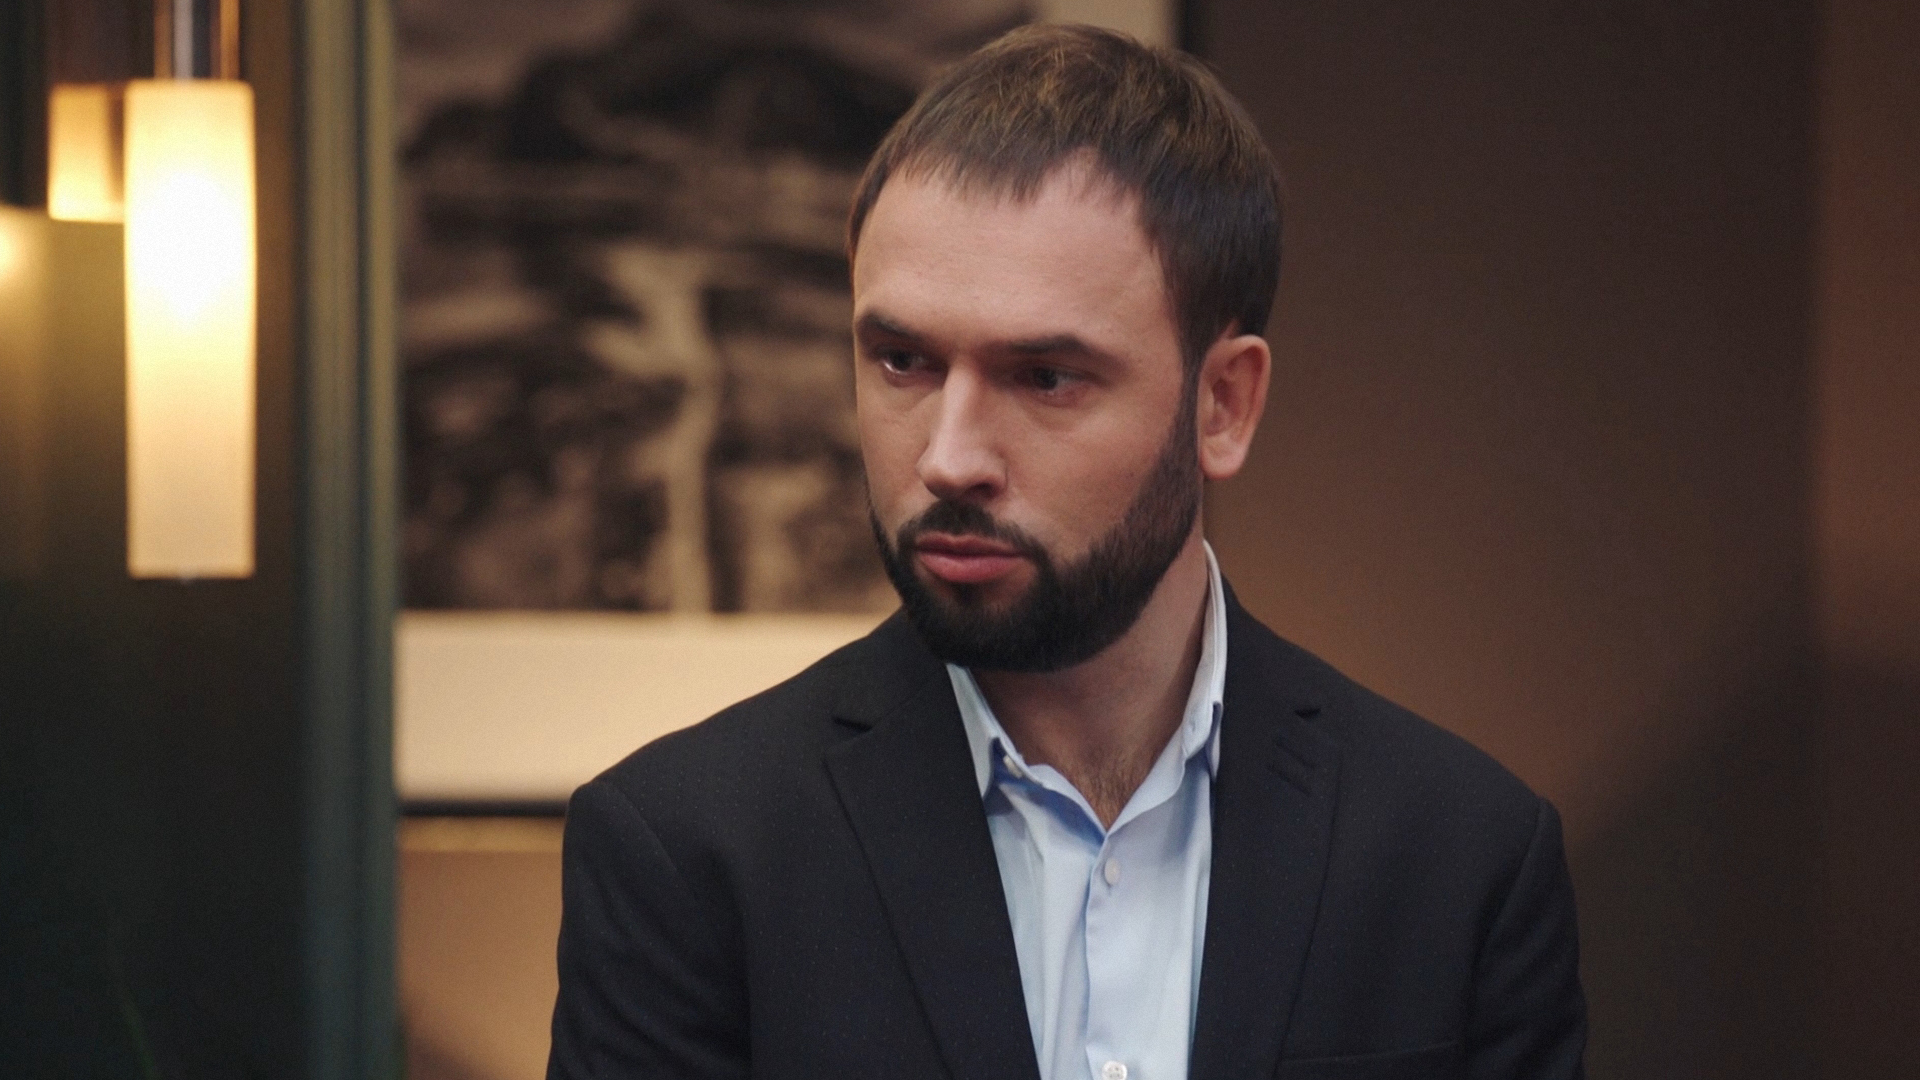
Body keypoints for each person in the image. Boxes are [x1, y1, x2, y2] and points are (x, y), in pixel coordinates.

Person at [548, 23, 1586, 1080]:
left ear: (1223, 405)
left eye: (1045, 377)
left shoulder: (1460, 859)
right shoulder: (687, 855)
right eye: (902, 361)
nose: (949, 459)